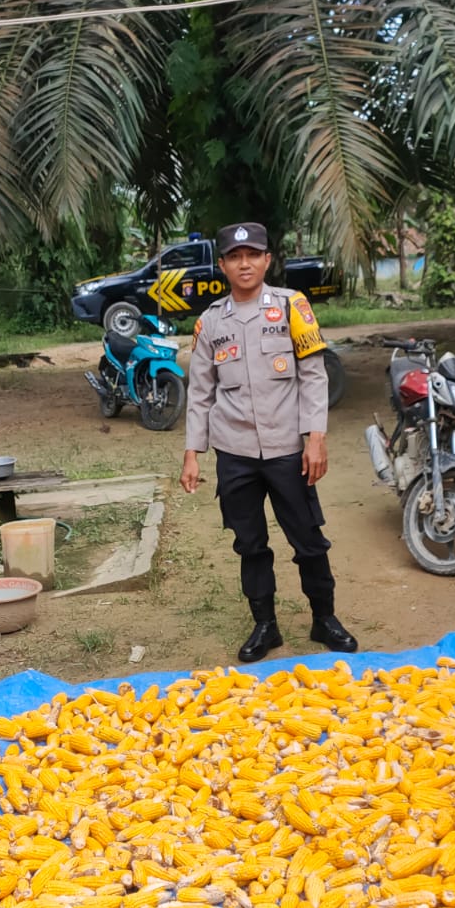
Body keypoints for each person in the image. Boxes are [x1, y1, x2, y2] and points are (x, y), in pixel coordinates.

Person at [181, 222, 358, 663]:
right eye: (235, 257)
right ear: (222, 265)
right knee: (250, 544)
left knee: (309, 539)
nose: (245, 263)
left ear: (267, 260)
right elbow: (201, 392)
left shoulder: (293, 306)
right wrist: (192, 453)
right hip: (234, 453)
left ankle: (325, 619)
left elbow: (314, 376)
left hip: (286, 450)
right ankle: (266, 626)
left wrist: (315, 437)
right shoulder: (209, 323)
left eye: (253, 255)